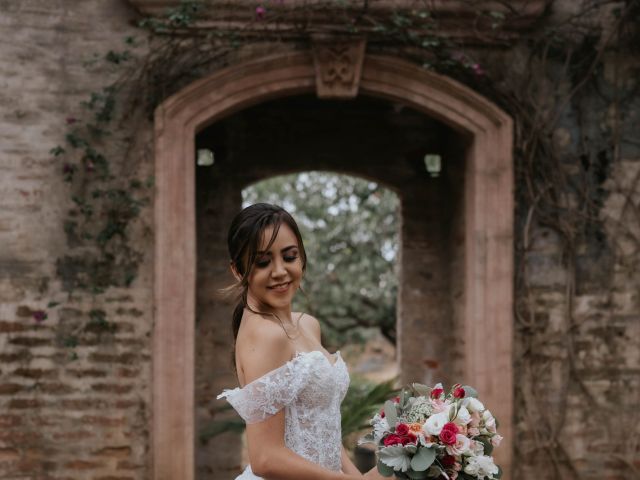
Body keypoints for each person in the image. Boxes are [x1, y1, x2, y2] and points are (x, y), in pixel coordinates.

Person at [217, 203, 383, 480]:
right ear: (237, 270)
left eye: (289, 256)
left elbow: (322, 429)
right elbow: (265, 458)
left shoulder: (307, 324)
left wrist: (358, 478)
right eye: (262, 262)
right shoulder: (266, 335)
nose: (280, 271)